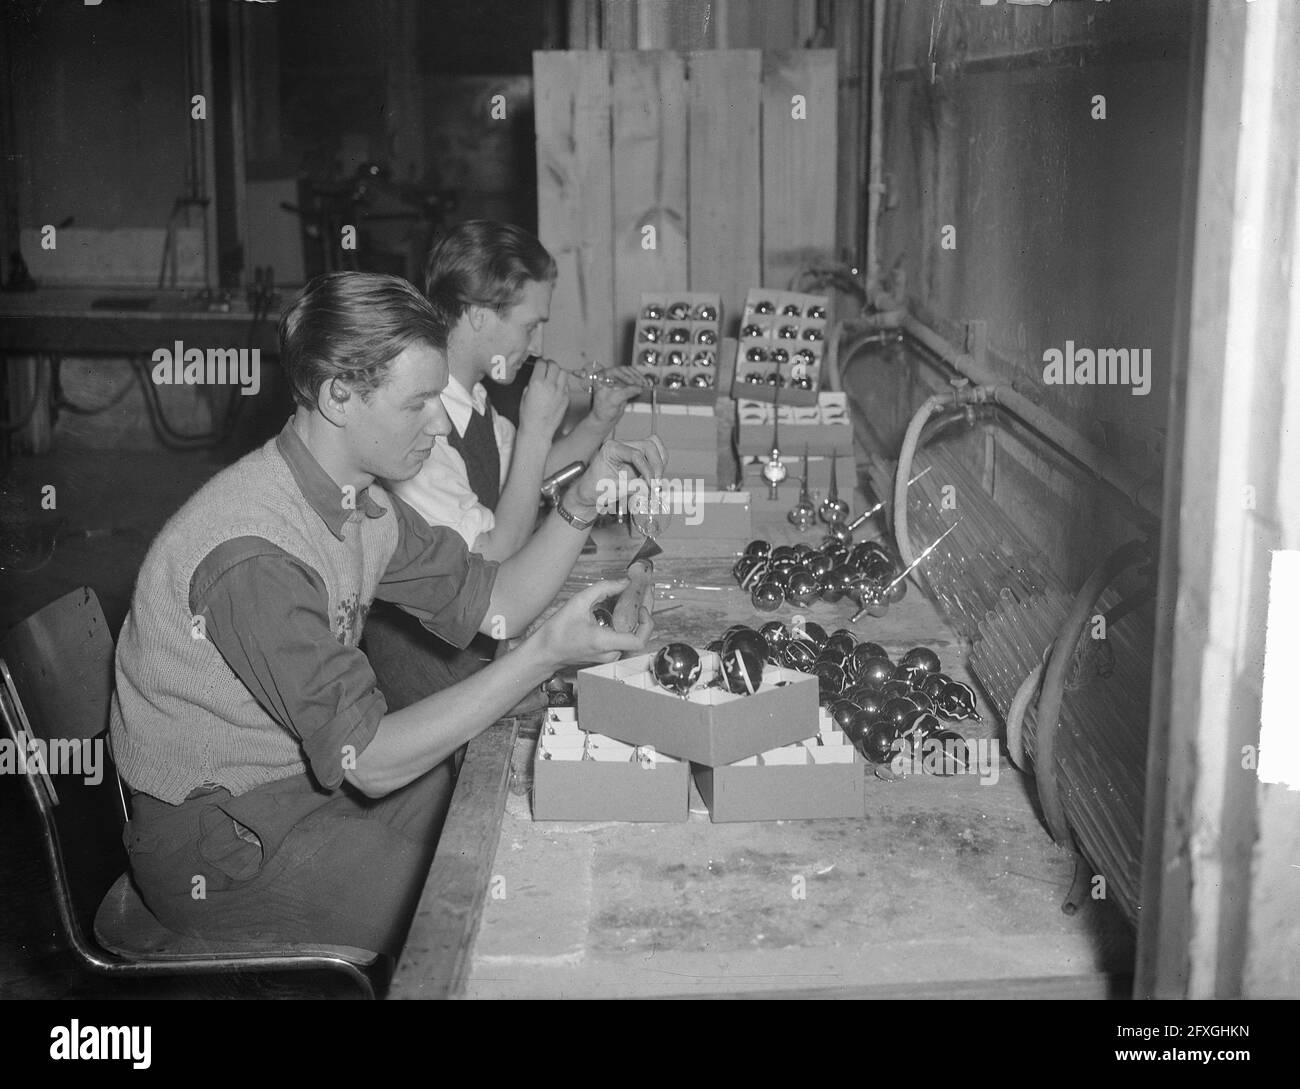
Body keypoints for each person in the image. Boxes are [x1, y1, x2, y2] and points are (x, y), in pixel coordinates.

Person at [109, 272, 664, 957]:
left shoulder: (358, 500)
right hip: (223, 844)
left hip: (304, 789)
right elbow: (365, 760)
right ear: (340, 395)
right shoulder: (252, 556)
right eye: (420, 404)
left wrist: (582, 499)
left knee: (518, 825)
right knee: (498, 917)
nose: (439, 423)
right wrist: (543, 654)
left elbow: (498, 604)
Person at [363, 220, 648, 711]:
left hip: (481, 658)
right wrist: (536, 431)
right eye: (530, 325)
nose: (537, 346)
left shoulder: (470, 398)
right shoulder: (417, 430)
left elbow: (525, 476)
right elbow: (492, 559)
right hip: (432, 688)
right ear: (477, 315)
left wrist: (599, 420)